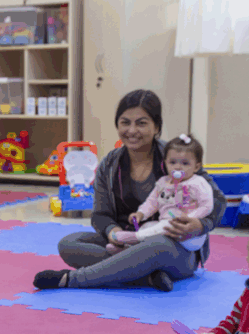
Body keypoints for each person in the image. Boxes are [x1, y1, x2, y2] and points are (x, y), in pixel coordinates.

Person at [33, 90, 227, 292]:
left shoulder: (176, 158)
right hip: (126, 242)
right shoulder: (109, 164)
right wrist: (112, 231)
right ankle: (146, 278)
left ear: (156, 127)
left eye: (141, 123)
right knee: (69, 243)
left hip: (173, 247)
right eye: (125, 122)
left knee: (156, 245)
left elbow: (218, 200)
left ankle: (72, 279)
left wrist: (200, 225)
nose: (132, 130)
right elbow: (100, 215)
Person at [107, 133, 214, 254]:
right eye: (172, 162)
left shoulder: (198, 183)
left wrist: (190, 219)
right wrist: (141, 213)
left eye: (185, 163)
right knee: (148, 226)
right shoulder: (163, 183)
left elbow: (207, 205)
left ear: (196, 167)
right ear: (165, 163)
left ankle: (134, 238)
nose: (178, 167)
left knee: (165, 226)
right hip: (165, 227)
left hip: (191, 235)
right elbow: (152, 202)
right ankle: (128, 249)